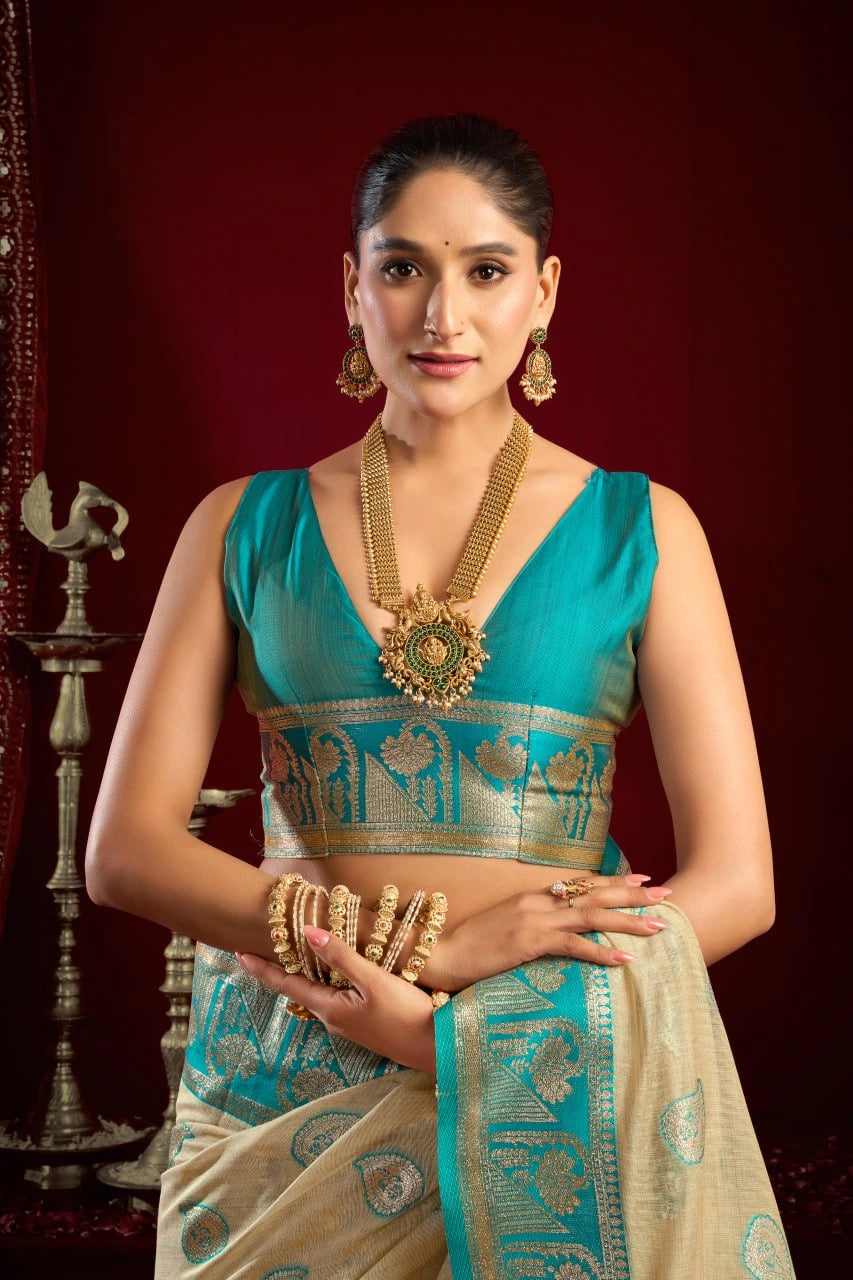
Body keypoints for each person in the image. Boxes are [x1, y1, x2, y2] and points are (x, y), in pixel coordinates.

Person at [85, 111, 794, 1279]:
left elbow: (739, 881)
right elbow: (125, 850)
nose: (441, 315)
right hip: (285, 1076)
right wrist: (412, 958)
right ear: (350, 286)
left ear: (545, 290)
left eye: (486, 269)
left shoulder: (645, 530)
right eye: (402, 266)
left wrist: (458, 1029)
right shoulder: (239, 525)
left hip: (554, 1070)